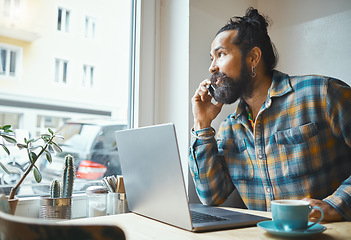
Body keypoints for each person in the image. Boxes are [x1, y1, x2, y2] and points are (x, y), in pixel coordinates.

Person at [189, 7, 351, 222]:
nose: (212, 68)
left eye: (221, 54)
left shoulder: (322, 93)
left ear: (253, 57)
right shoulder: (230, 129)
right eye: (212, 58)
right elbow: (211, 196)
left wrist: (336, 205)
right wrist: (202, 124)